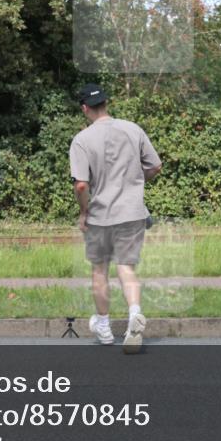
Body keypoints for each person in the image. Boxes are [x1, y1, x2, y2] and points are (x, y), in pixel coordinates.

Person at [69, 83, 162, 353]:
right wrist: (136, 182)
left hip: (100, 216)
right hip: (132, 212)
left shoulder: (82, 140)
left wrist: (84, 212)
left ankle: (105, 329)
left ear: (85, 108)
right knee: (127, 268)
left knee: (100, 271)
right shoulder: (133, 129)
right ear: (107, 104)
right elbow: (155, 165)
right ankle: (134, 316)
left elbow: (81, 185)